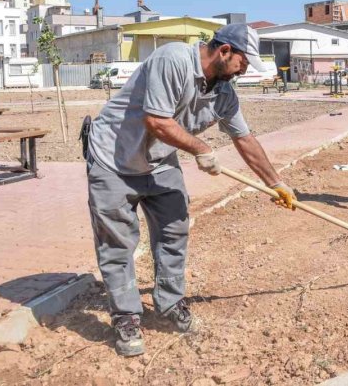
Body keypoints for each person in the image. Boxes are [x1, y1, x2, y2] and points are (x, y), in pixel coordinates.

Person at [84, 24, 298, 357]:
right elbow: (156, 120)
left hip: (158, 161)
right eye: (243, 62)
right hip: (114, 158)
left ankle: (169, 305)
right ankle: (126, 318)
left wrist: (276, 183)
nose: (243, 71)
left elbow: (244, 138)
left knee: (174, 229)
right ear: (224, 51)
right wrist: (200, 148)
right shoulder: (173, 59)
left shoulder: (224, 92)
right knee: (118, 243)